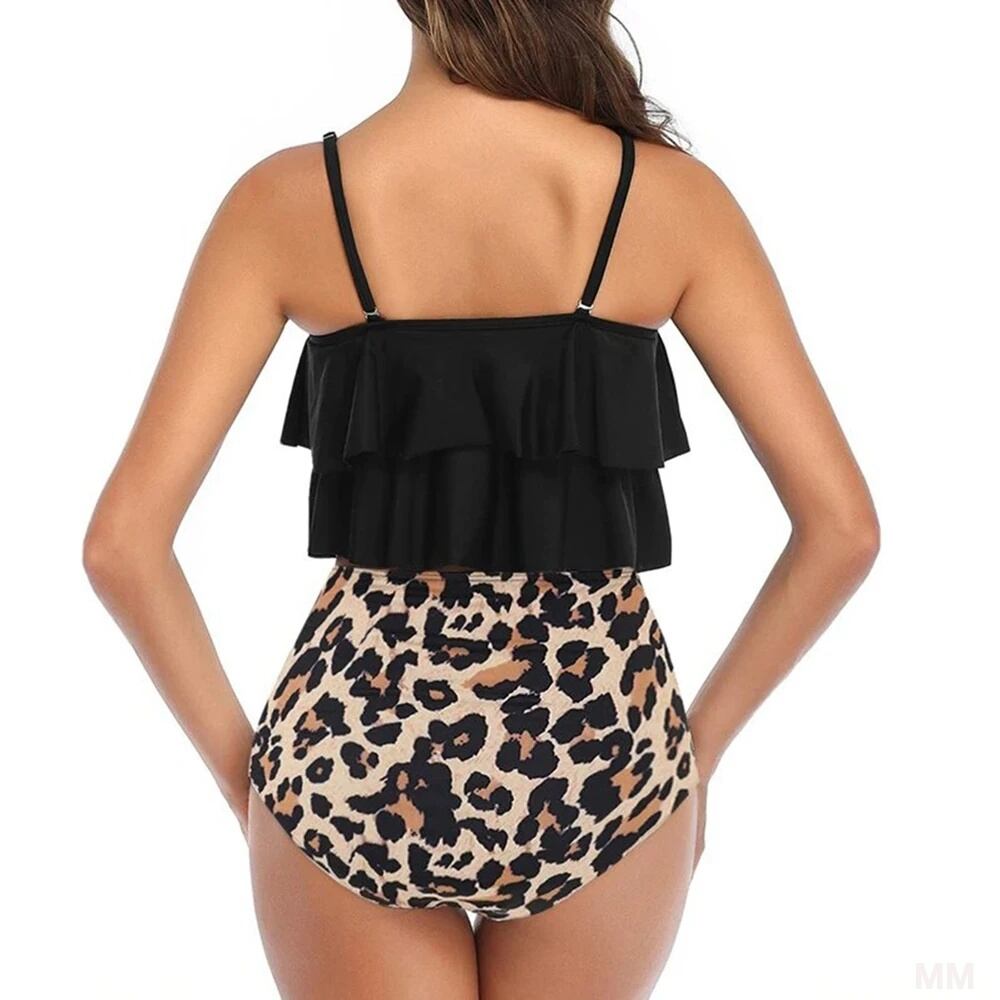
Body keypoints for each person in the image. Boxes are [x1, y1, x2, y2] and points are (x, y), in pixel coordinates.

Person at [83, 2, 880, 998]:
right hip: (602, 751)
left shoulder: (287, 199)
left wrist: (248, 783)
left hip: (352, 754)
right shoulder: (669, 197)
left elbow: (123, 546)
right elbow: (842, 530)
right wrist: (693, 754)